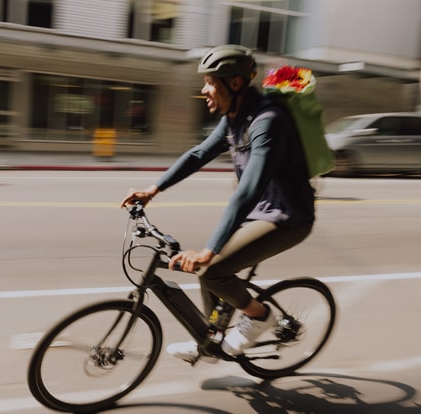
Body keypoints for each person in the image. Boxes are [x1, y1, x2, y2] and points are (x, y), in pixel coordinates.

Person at [120, 44, 315, 362]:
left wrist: (208, 251)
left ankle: (260, 316)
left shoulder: (267, 121)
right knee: (208, 269)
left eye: (210, 82)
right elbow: (198, 154)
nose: (204, 89)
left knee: (211, 269)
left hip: (288, 217)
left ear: (234, 83)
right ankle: (211, 344)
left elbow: (248, 188)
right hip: (259, 213)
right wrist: (152, 190)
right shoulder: (234, 117)